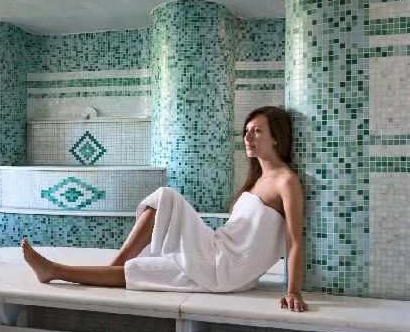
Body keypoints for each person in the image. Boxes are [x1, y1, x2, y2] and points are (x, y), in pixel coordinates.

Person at [21, 105, 307, 312]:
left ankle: (74, 269)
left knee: (164, 199)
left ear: (276, 137)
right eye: (246, 131)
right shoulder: (256, 180)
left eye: (257, 131)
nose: (247, 137)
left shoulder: (286, 181)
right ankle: (56, 271)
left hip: (226, 266)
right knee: (140, 265)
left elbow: (293, 241)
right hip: (216, 257)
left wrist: (293, 290)